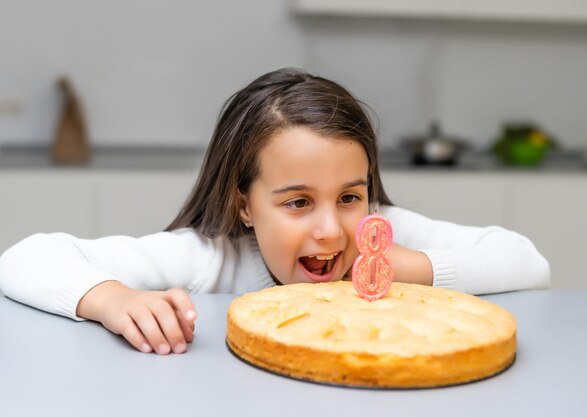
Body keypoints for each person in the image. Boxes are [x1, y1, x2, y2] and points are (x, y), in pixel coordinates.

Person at [0, 68, 550, 355]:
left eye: (349, 196)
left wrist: (408, 269)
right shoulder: (210, 258)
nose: (331, 229)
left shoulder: (381, 235)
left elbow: (527, 262)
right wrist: (111, 300)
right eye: (298, 202)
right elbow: (23, 258)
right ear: (243, 203)